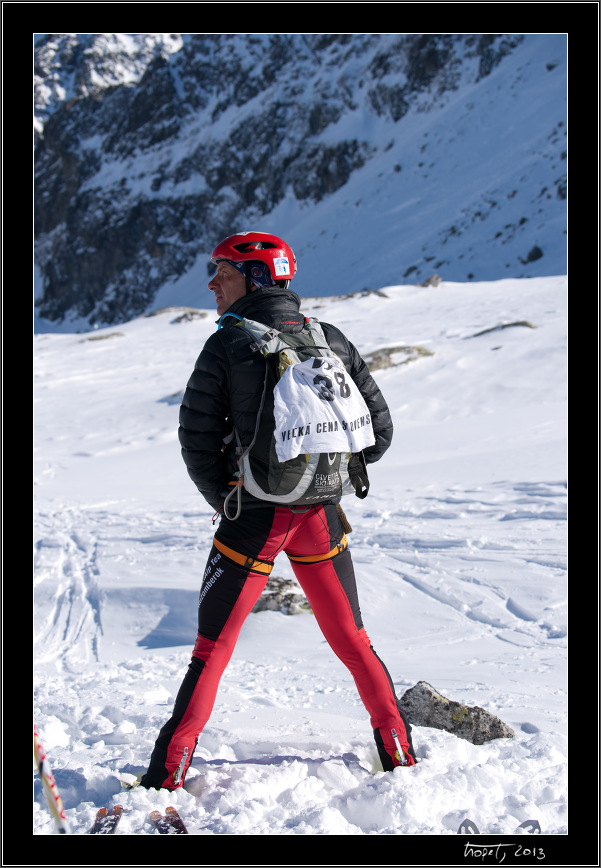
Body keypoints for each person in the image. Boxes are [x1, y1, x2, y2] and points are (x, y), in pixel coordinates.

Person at [140, 231, 416, 790]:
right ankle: (401, 758)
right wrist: (328, 475)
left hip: (254, 522)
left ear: (256, 277)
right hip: (323, 519)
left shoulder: (228, 345)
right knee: (353, 641)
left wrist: (230, 497)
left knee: (212, 649)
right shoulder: (330, 339)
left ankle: (165, 779)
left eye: (222, 271)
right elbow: (378, 433)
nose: (212, 282)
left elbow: (196, 438)